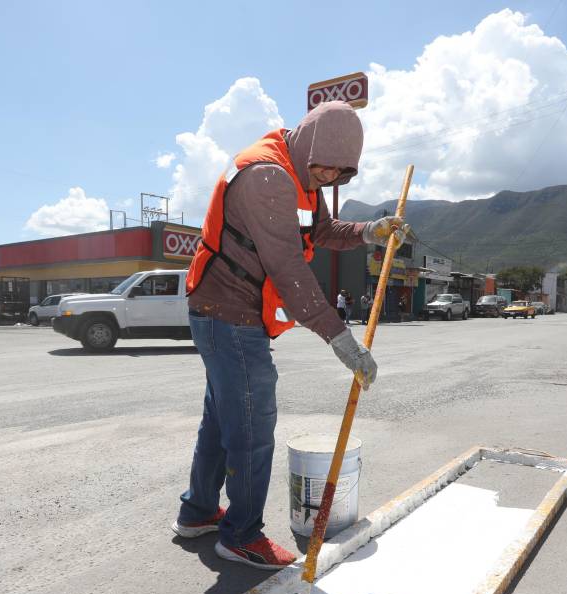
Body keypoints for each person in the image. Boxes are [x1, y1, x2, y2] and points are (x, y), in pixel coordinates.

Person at [172, 101, 415, 568]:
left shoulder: (299, 171)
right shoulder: (268, 176)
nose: (326, 178)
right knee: (251, 427)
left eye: (338, 174)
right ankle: (240, 534)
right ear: (308, 147)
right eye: (323, 168)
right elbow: (290, 274)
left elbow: (320, 230)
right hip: (230, 317)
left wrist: (370, 230)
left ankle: (198, 512)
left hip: (225, 313)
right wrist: (343, 342)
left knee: (222, 421)